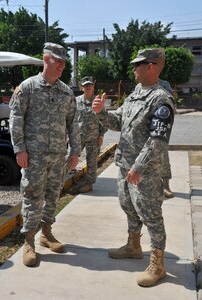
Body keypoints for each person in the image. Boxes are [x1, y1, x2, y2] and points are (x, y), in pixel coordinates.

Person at [92, 48, 175, 287]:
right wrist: (101, 113)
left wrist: (139, 166)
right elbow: (118, 121)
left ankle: (158, 265)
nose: (134, 68)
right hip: (125, 167)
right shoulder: (137, 93)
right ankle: (133, 245)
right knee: (128, 206)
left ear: (152, 66)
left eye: (138, 64)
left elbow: (157, 140)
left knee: (151, 216)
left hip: (145, 172)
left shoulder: (161, 99)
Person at [9, 42, 81, 267]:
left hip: (58, 156)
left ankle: (46, 233)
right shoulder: (28, 87)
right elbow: (16, 119)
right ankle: (28, 241)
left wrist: (75, 152)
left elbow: (73, 124)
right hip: (34, 156)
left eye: (63, 62)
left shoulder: (66, 92)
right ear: (45, 59)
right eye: (56, 60)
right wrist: (19, 148)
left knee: (52, 196)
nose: (61, 65)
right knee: (32, 196)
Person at [135, 78, 174, 198]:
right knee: (143, 155)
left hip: (157, 125)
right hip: (143, 126)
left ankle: (166, 185)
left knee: (163, 155)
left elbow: (170, 102)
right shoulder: (139, 86)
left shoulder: (164, 84)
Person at [75, 76, 107, 193]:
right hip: (79, 136)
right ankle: (60, 181)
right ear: (82, 88)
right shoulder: (76, 101)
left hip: (94, 138)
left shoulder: (98, 101)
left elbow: (105, 120)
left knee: (92, 162)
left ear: (93, 86)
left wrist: (101, 135)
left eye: (90, 85)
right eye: (85, 86)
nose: (88, 87)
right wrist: (68, 135)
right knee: (70, 157)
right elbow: (70, 119)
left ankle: (89, 184)